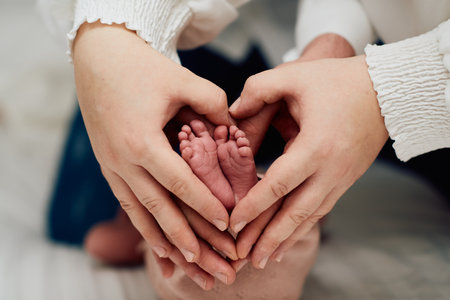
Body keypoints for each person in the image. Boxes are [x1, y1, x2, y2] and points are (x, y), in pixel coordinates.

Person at [39, 0, 450, 295]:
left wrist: (392, 92)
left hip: (413, 45)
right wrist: (112, 32)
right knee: (116, 184)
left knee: (98, 223)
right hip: (211, 31)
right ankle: (271, 204)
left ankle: (188, 215)